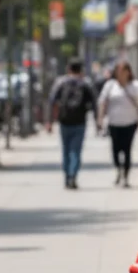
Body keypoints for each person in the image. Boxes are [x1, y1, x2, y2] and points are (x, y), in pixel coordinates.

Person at [47, 57, 99, 189]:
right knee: (76, 151)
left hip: (64, 121)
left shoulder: (61, 83)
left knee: (65, 150)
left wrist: (49, 122)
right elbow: (94, 103)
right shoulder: (85, 84)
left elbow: (52, 101)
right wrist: (97, 121)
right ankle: (73, 175)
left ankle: (67, 176)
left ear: (68, 69)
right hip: (80, 122)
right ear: (81, 70)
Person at [97, 59, 138, 187]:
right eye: (118, 71)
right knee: (115, 149)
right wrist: (100, 119)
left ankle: (126, 176)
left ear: (128, 72)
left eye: (123, 71)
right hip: (114, 123)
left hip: (130, 122)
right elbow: (102, 101)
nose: (120, 74)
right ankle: (119, 169)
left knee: (127, 149)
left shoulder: (135, 85)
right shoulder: (110, 85)